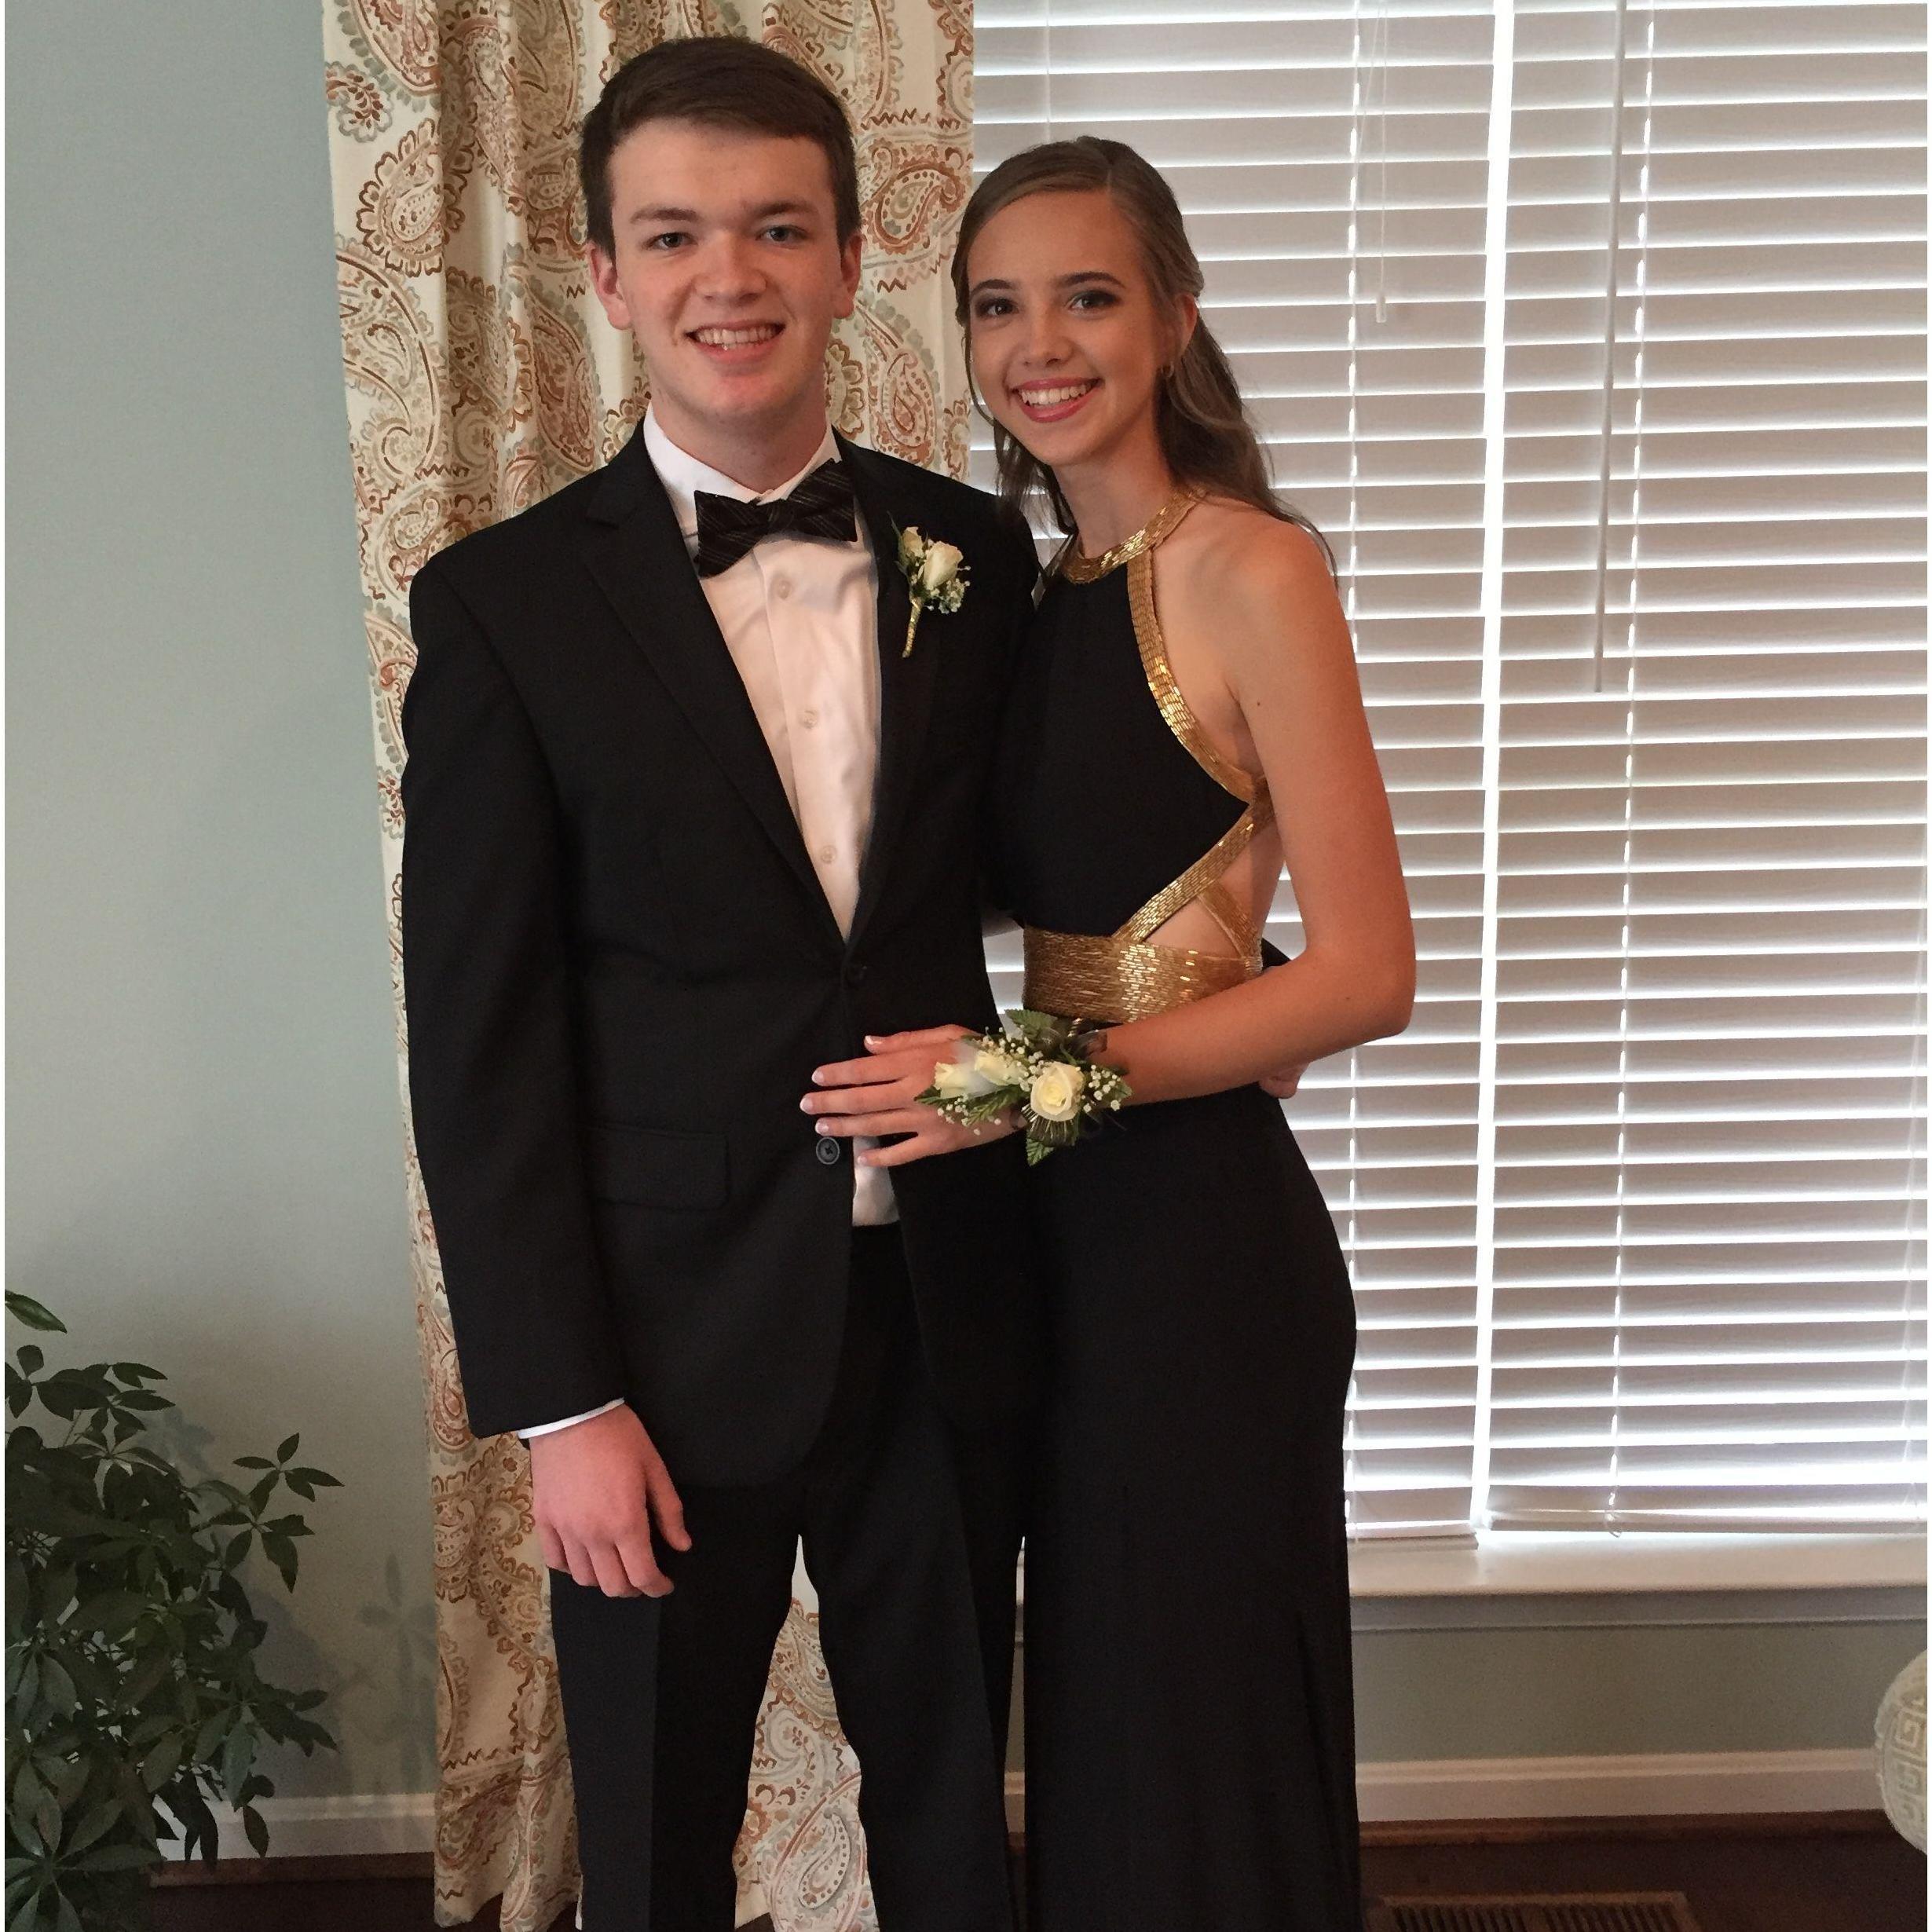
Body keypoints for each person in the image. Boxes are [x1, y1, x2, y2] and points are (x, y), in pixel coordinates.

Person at [397, 38, 1044, 1932]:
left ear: (849, 258)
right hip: (659, 1349)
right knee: (659, 1839)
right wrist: (559, 1404)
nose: (728, 276)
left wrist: (1203, 996)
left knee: (957, 1817)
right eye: (674, 235)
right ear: (607, 276)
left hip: (944, 1300)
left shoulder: (971, 555)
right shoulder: (505, 604)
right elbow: (481, 1039)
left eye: (775, 227)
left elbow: (1055, 866)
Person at [804, 137, 1415, 1929]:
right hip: (1044, 1237)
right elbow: (1071, 883)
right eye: (1000, 305)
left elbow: (1371, 974)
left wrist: (1027, 1077)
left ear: (1176, 316)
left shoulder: (1254, 569)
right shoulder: (1021, 590)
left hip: (1201, 1248)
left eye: (1089, 295)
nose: (1040, 344)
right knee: (1095, 1732)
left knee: (1195, 1736)